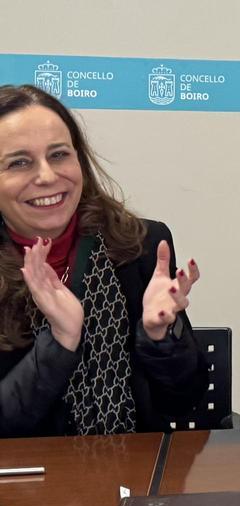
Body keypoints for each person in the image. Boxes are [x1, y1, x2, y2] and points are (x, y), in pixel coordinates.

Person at [0, 85, 206, 437]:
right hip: (23, 485)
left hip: (133, 476)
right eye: (19, 162)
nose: (48, 176)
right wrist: (60, 342)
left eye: (60, 155)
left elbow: (184, 400)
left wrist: (159, 337)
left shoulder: (137, 245)